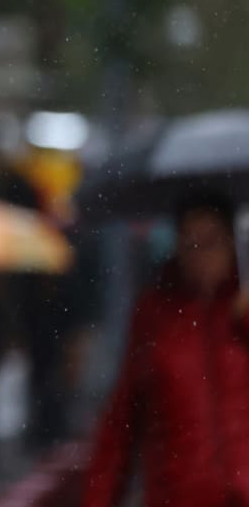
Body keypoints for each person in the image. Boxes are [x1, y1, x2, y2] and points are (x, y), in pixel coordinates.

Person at [81, 189, 249, 507]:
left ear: (231, 243)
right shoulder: (156, 313)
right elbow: (122, 421)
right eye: (190, 243)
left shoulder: (243, 305)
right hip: (177, 495)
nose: (201, 255)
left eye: (211, 241)